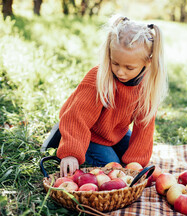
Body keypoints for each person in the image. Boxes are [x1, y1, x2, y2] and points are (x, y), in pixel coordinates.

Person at [41, 15, 167, 177]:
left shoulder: (148, 84)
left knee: (134, 167)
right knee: (115, 168)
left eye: (129, 68)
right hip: (89, 133)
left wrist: (136, 165)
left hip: (114, 133)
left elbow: (144, 128)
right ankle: (63, 139)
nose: (120, 71)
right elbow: (77, 116)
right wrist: (71, 152)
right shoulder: (99, 77)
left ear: (147, 62)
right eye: (115, 63)